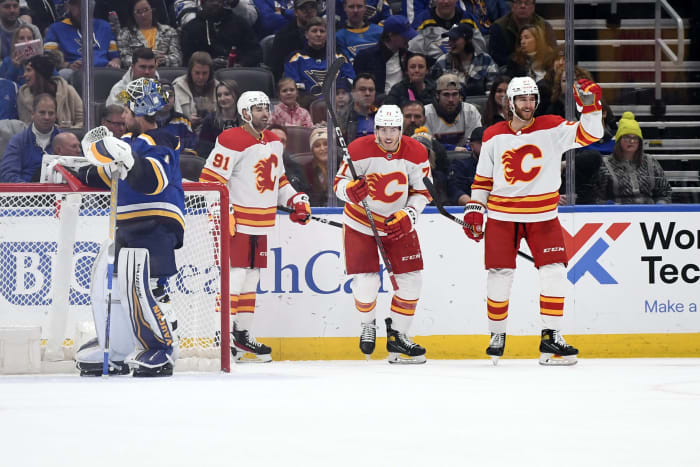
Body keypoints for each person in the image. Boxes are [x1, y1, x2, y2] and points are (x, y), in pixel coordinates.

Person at [461, 76, 604, 365]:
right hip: (502, 217)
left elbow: (592, 135)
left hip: (543, 216)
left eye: (531, 98)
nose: (528, 104)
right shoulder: (493, 135)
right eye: (522, 99)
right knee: (499, 275)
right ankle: (497, 335)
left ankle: (551, 338)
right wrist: (476, 207)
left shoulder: (551, 126)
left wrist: (591, 107)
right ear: (509, 102)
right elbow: (483, 180)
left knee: (554, 272)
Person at [74, 77, 184, 376]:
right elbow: (102, 175)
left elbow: (153, 180)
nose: (123, 115)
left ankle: (162, 349)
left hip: (156, 222)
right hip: (128, 225)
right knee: (113, 288)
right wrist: (67, 168)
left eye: (127, 109)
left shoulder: (162, 138)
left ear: (140, 108)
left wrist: (128, 160)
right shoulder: (128, 144)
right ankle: (119, 349)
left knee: (146, 286)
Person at [198, 90, 312, 362]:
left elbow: (279, 182)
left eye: (266, 108)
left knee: (251, 278)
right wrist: (223, 212)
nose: (265, 113)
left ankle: (242, 335)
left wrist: (297, 199)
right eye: (258, 108)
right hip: (237, 222)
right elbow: (210, 180)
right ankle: (220, 335)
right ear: (245, 113)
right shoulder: (231, 139)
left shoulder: (274, 141)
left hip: (261, 222)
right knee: (234, 277)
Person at [333, 104, 431, 364]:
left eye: (394, 129)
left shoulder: (417, 152)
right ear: (375, 129)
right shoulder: (358, 149)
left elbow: (423, 193)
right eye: (383, 129)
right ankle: (367, 324)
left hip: (397, 223)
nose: (388, 135)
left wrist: (410, 214)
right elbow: (338, 184)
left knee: (411, 281)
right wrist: (349, 191)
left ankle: (398, 336)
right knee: (366, 284)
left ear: (401, 129)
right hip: (360, 222)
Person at [593, 111, 671, 205]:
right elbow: (596, 197)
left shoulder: (651, 162)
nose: (632, 141)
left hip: (649, 215)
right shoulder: (605, 164)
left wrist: (660, 204)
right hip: (618, 216)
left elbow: (665, 192)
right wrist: (609, 205)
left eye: (635, 138)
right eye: (626, 137)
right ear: (619, 140)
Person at [284, 16, 355, 102]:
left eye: (322, 31)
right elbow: (296, 91)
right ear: (306, 34)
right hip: (306, 107)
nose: (318, 34)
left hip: (338, 106)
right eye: (314, 31)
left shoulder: (340, 57)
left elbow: (351, 83)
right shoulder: (295, 59)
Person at [44, 0, 121, 75]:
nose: (82, 9)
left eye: (86, 4)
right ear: (68, 6)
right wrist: (68, 65)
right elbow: (49, 59)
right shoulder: (55, 29)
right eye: (76, 4)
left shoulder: (104, 26)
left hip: (103, 70)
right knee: (65, 73)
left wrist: (115, 63)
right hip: (75, 73)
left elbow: (115, 57)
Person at [181, 0, 262, 68]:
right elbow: (187, 58)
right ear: (202, 3)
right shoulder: (192, 27)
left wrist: (241, 64)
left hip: (236, 72)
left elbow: (255, 52)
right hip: (204, 74)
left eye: (219, 0)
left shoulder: (239, 23)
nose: (215, 3)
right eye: (211, 0)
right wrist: (207, 63)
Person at [0, 93, 60, 182]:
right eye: (42, 113)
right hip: (25, 193)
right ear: (33, 114)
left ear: (56, 116)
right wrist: (31, 191)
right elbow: (8, 175)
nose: (47, 117)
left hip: (60, 193)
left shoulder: (66, 141)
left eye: (51, 113)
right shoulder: (18, 141)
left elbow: (78, 171)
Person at [17, 54, 84, 129]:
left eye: (28, 70)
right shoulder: (23, 96)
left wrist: (67, 131)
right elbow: (25, 126)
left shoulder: (68, 90)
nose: (24, 75)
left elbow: (83, 120)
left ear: (40, 72)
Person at [353, 15, 415, 96]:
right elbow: (357, 87)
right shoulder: (365, 57)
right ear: (391, 35)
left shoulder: (408, 57)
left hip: (403, 101)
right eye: (404, 35)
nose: (409, 38)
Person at [430, 23, 498, 96]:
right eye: (449, 39)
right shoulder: (442, 62)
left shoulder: (485, 60)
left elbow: (492, 91)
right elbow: (434, 91)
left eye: (454, 40)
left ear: (468, 40)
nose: (450, 43)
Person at [409, 0, 486, 63]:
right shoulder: (421, 22)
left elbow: (480, 51)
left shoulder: (469, 20)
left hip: (465, 69)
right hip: (433, 72)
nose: (446, 1)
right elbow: (414, 55)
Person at [488, 0, 556, 67]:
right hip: (508, 71)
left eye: (527, 3)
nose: (523, 6)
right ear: (512, 5)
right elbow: (495, 59)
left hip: (539, 69)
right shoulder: (498, 27)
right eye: (518, 2)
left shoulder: (544, 27)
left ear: (533, 6)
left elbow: (553, 54)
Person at [117, 0, 182, 69]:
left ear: (152, 10)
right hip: (138, 74)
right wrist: (144, 62)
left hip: (164, 71)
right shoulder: (125, 34)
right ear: (133, 15)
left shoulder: (169, 31)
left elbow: (178, 59)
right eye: (138, 12)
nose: (143, 15)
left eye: (146, 10)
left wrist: (164, 59)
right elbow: (124, 60)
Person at [424, 73, 481, 149]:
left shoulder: (470, 111)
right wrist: (452, 148)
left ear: (460, 95)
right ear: (437, 95)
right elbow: (426, 143)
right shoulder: (426, 112)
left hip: (465, 156)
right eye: (446, 95)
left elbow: (475, 142)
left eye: (454, 94)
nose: (451, 99)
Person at [269, 0, 318, 81]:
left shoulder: (326, 34)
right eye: (303, 8)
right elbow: (276, 69)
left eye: (312, 7)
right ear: (295, 12)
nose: (309, 12)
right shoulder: (283, 37)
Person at [173, 51, 219, 130]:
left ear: (210, 73)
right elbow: (171, 118)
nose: (201, 77)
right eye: (197, 73)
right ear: (190, 71)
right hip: (185, 133)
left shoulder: (218, 87)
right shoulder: (177, 86)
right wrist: (187, 121)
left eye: (205, 73)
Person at [198, 79, 240, 156]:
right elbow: (203, 152)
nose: (222, 99)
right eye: (219, 95)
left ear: (236, 95)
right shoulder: (210, 121)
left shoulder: (246, 119)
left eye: (227, 94)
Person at [155, 80, 198, 152]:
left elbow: (192, 144)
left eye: (170, 95)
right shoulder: (146, 120)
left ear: (174, 98)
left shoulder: (183, 120)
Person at [447, 126, 482, 205]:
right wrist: (473, 205)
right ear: (471, 146)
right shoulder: (460, 165)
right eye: (481, 143)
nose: (487, 146)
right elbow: (455, 190)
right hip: (468, 209)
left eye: (489, 143)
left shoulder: (500, 166)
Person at [340, 72, 378, 142]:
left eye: (371, 90)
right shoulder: (342, 117)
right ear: (353, 92)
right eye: (362, 89)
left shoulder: (381, 115)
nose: (367, 93)